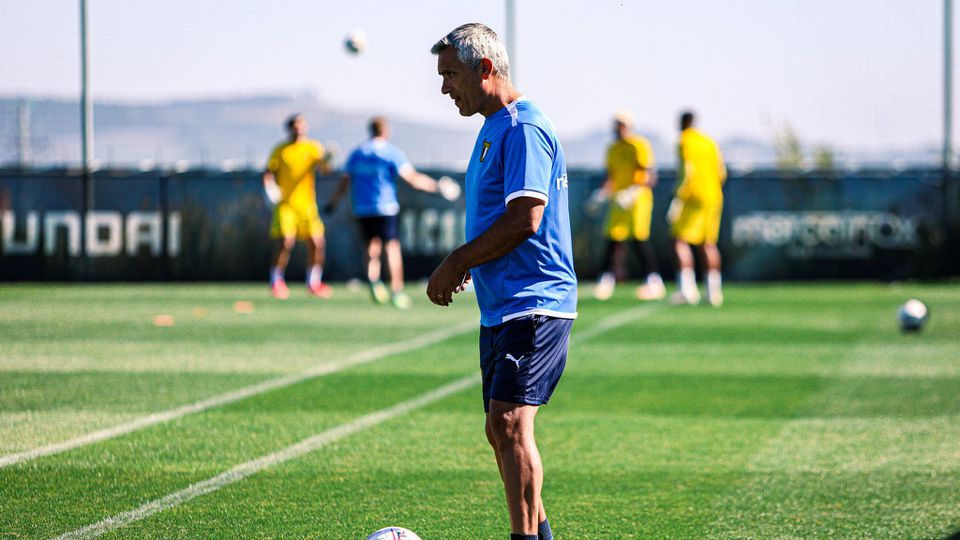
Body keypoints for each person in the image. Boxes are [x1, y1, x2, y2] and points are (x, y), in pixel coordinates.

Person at [427, 23, 576, 540]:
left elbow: (525, 219)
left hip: (535, 302)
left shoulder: (522, 128)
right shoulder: (494, 126)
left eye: (451, 74)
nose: (446, 87)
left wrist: (456, 260)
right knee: (500, 430)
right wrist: (473, 263)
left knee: (511, 425)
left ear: (484, 68)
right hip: (504, 305)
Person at [326, 116, 460, 309]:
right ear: (385, 131)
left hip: (363, 208)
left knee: (371, 248)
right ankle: (396, 291)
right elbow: (412, 179)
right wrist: (437, 187)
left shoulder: (358, 153)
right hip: (385, 206)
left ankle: (374, 282)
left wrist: (333, 202)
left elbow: (344, 180)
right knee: (391, 248)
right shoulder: (390, 152)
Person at [592, 110, 665, 301]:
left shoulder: (638, 145)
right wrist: (602, 194)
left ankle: (653, 281)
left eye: (621, 124)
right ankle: (606, 280)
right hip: (618, 200)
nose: (618, 128)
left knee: (638, 239)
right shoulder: (612, 149)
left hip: (637, 200)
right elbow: (611, 177)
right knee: (612, 237)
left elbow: (649, 174)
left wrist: (633, 192)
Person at [262, 113, 333, 300]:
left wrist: (329, 158)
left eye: (301, 125)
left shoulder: (313, 148)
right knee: (286, 241)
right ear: (290, 128)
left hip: (307, 205)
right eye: (295, 126)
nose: (298, 129)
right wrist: (269, 188)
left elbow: (325, 170)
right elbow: (268, 172)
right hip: (286, 205)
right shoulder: (280, 150)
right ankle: (276, 280)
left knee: (317, 243)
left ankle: (313, 282)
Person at [668, 110, 727, 306]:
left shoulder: (684, 140)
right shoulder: (710, 142)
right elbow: (722, 173)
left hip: (692, 197)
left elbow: (687, 171)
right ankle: (714, 292)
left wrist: (678, 197)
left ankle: (687, 290)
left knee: (680, 241)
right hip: (714, 197)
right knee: (708, 243)